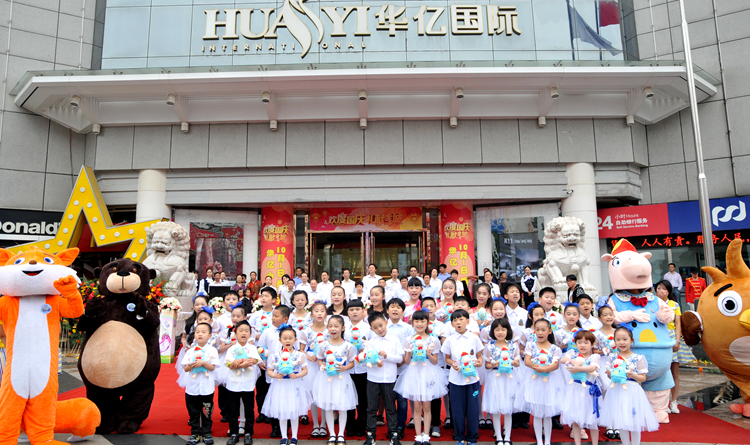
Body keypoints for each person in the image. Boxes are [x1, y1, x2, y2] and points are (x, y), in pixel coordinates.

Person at [394, 309, 447, 445]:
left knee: (427, 406)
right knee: (417, 407)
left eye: (422, 321)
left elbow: (435, 361)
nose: (419, 324)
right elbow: (406, 362)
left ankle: (426, 435)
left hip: (428, 373)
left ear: (427, 322)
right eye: (416, 321)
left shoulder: (433, 340)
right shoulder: (408, 340)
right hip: (414, 373)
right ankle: (418, 436)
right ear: (412, 323)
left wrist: (429, 354)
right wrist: (409, 353)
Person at [599, 326, 659, 445]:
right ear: (614, 341)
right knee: (621, 420)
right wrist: (609, 374)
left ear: (631, 340)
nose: (622, 342)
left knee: (635, 420)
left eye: (625, 339)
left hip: (632, 391)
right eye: (618, 339)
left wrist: (633, 375)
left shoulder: (637, 358)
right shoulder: (612, 357)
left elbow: (643, 377)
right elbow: (612, 377)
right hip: (617, 391)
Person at [516, 318, 562, 445]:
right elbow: (527, 361)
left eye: (543, 330)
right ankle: (539, 441)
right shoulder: (531, 345)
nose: (540, 332)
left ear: (550, 331)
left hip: (549, 382)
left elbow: (556, 365)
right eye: (537, 330)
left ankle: (547, 441)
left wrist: (545, 369)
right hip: (534, 381)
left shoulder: (554, 348)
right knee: (537, 413)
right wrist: (537, 368)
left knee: (547, 414)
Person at [441, 309, 484, 445]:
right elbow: (447, 358)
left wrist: (479, 362)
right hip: (455, 379)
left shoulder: (474, 338)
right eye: (455, 320)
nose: (458, 323)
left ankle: (472, 436)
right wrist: (452, 364)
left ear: (468, 321)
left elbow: (480, 356)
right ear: (452, 324)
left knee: (473, 408)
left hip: (472, 379)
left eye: (461, 319)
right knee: (457, 408)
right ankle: (459, 435)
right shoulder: (450, 340)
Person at [314, 315, 358, 445]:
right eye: (330, 326)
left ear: (343, 328)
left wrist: (344, 368)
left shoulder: (348, 346)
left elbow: (352, 362)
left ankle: (341, 434)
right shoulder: (323, 345)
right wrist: (322, 366)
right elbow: (319, 359)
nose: (333, 329)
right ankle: (332, 434)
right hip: (327, 378)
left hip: (342, 378)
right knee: (328, 406)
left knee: (343, 406)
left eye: (336, 326)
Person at [264, 326, 311, 445]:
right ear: (280, 340)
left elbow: (305, 370)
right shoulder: (275, 355)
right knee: (282, 411)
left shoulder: (299, 355)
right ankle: (284, 436)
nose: (288, 341)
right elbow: (270, 371)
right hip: (280, 386)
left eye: (290, 338)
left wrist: (297, 375)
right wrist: (276, 375)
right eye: (285, 338)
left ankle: (294, 436)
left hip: (294, 385)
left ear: (295, 340)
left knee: (294, 411)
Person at [363, 311, 404, 445]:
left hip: (389, 379)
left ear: (386, 322)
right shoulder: (370, 343)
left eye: (381, 325)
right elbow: (365, 359)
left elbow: (400, 358)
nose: (379, 329)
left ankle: (393, 433)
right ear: (371, 329)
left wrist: (387, 356)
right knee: (371, 408)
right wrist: (375, 362)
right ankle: (370, 434)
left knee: (390, 407)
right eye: (375, 327)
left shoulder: (394, 340)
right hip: (373, 379)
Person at [180, 322, 220, 445]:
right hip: (192, 387)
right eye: (197, 332)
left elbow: (213, 367)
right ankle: (195, 433)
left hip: (207, 388)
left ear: (210, 335)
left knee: (206, 411)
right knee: (193, 411)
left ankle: (207, 432)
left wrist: (203, 363)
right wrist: (192, 365)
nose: (200, 334)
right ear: (194, 335)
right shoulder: (190, 351)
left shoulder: (212, 350)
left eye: (203, 332)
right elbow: (185, 368)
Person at [560, 330, 602, 445]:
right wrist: (572, 361)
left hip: (589, 390)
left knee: (592, 421)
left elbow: (592, 368)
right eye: (579, 342)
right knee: (576, 419)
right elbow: (563, 359)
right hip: (575, 389)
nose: (582, 345)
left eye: (586, 342)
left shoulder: (595, 356)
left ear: (592, 344)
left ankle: (595, 443)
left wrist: (579, 368)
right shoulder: (573, 353)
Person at [483, 318, 520, 445]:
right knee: (496, 408)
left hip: (509, 379)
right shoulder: (489, 347)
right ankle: (498, 437)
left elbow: (517, 363)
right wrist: (495, 364)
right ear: (493, 332)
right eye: (497, 329)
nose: (500, 332)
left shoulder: (513, 346)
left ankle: (508, 437)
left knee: (508, 409)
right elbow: (487, 365)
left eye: (503, 329)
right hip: (495, 378)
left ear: (508, 331)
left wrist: (515, 363)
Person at [224, 320, 261, 445]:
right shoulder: (232, 349)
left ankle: (248, 433)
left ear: (250, 334)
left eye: (246, 331)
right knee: (233, 410)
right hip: (233, 383)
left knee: (249, 410)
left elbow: (255, 360)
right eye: (241, 330)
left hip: (248, 384)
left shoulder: (252, 348)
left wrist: (239, 361)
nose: (243, 333)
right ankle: (234, 433)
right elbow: (229, 364)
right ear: (235, 333)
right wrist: (242, 363)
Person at [386, 298, 416, 438]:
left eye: (398, 307)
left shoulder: (407, 328)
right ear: (387, 310)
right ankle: (391, 426)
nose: (395, 309)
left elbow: (411, 346)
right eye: (392, 307)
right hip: (388, 369)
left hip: (403, 369)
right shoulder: (384, 327)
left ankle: (400, 426)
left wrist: (403, 361)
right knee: (389, 400)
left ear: (403, 311)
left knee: (402, 400)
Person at [655, 280, 684, 415]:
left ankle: (674, 401)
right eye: (658, 288)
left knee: (674, 371)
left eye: (664, 289)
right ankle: (664, 401)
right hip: (659, 337)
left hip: (672, 337)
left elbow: (678, 324)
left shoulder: (674, 305)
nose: (661, 291)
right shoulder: (653, 304)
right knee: (662, 371)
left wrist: (677, 340)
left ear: (669, 291)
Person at [344, 299, 371, 438]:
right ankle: (349, 425)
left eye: (357, 309)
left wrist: (365, 350)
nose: (354, 312)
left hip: (363, 368)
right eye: (351, 310)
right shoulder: (344, 327)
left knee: (362, 398)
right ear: (347, 312)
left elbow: (373, 345)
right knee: (348, 396)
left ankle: (361, 425)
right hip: (348, 368)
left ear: (363, 311)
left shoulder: (368, 328)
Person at [303, 302, 329, 437]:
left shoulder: (329, 330)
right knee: (313, 394)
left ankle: (323, 424)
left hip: (325, 365)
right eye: (316, 311)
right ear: (311, 314)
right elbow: (301, 350)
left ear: (326, 314)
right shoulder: (306, 331)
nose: (319, 313)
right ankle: (315, 425)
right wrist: (308, 356)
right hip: (312, 365)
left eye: (322, 311)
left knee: (324, 394)